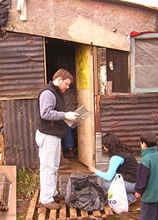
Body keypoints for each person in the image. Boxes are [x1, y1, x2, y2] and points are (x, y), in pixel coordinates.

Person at [35, 69, 79, 210]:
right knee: (47, 168)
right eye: (66, 84)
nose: (67, 87)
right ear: (59, 79)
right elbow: (45, 113)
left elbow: (54, 114)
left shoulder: (56, 93)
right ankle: (46, 199)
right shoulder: (48, 93)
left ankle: (52, 192)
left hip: (53, 135)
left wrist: (67, 117)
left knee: (54, 167)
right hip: (47, 135)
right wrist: (65, 115)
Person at [88, 132, 138, 204]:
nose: (103, 147)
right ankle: (130, 194)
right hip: (137, 182)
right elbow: (113, 173)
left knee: (105, 185)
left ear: (108, 145)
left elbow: (108, 177)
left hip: (134, 185)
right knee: (108, 181)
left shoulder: (116, 158)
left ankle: (130, 198)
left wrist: (95, 171)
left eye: (104, 145)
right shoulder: (123, 152)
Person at [135, 131, 158, 220]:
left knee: (147, 216)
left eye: (140, 143)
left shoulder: (145, 160)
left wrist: (138, 191)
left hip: (149, 195)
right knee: (155, 216)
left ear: (144, 145)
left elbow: (142, 178)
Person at [63, 83, 77, 159]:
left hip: (67, 115)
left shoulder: (62, 92)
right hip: (76, 114)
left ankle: (70, 150)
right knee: (80, 131)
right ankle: (82, 149)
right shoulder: (76, 91)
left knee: (67, 131)